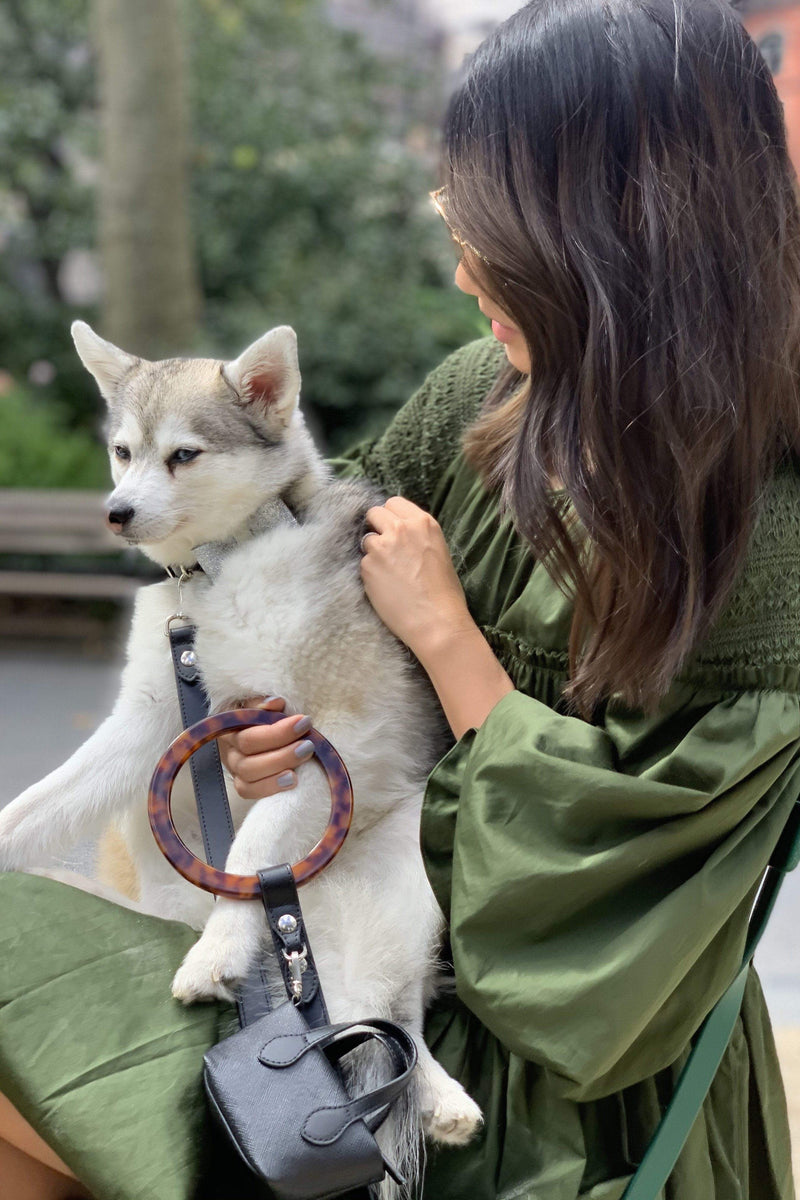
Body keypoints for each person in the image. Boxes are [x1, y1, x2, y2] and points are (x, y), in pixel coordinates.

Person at [3, 0, 800, 1196]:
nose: (460, 263)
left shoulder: (766, 530)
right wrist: (276, 749)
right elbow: (306, 623)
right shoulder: (477, 395)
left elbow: (616, 931)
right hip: (309, 949)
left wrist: (446, 639)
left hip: (547, 1075)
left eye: (491, 229)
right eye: (452, 215)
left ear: (621, 238)